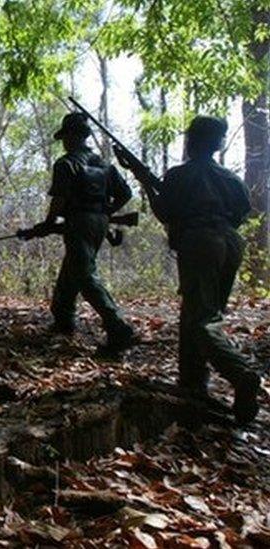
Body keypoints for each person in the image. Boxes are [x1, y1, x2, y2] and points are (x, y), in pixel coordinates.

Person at [114, 115, 261, 424]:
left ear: (192, 141)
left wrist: (144, 180)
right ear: (217, 143)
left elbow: (164, 211)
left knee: (202, 321)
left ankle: (240, 372)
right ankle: (193, 382)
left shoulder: (180, 175)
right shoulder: (230, 178)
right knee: (200, 313)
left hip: (201, 243)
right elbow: (240, 214)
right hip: (230, 243)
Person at [39, 112, 137, 356]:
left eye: (66, 137)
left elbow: (59, 200)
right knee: (74, 266)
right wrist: (105, 212)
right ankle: (63, 318)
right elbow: (125, 193)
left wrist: (48, 223)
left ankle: (117, 326)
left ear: (73, 137)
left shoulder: (66, 163)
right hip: (99, 223)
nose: (64, 142)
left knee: (84, 274)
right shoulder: (104, 164)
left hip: (79, 223)